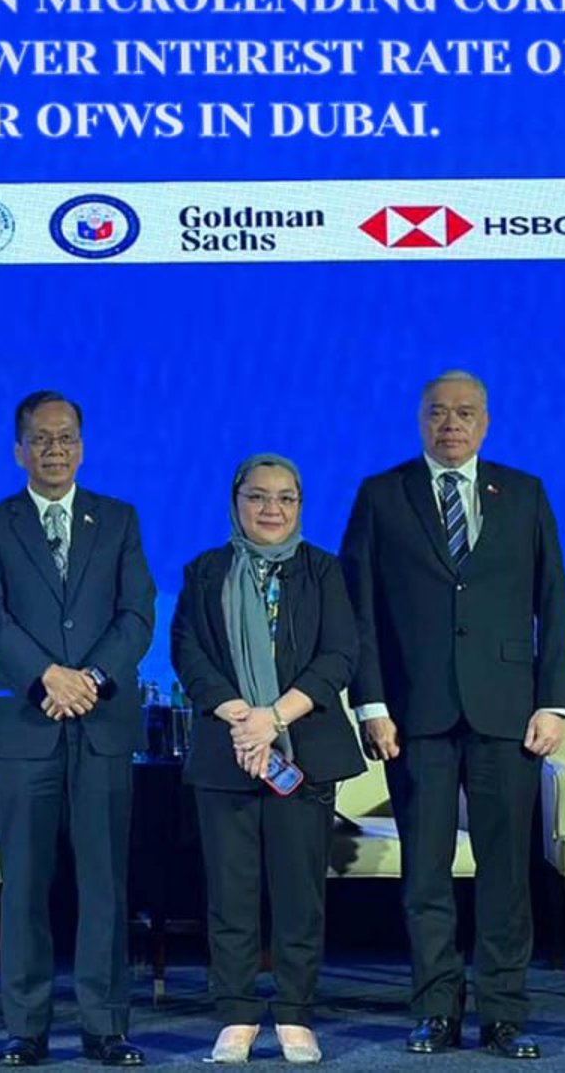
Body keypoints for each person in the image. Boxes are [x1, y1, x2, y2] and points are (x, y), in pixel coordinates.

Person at [339, 370, 565, 1060]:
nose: (451, 424)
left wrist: (555, 700)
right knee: (426, 873)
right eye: (438, 412)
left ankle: (504, 1011)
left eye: (465, 413)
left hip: (509, 712)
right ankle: (435, 1008)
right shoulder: (382, 495)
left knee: (506, 872)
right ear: (419, 419)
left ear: (487, 422)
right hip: (415, 713)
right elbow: (362, 614)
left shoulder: (524, 493)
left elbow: (553, 600)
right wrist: (372, 704)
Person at [0, 391, 154, 1067]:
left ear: (83, 444)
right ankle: (26, 1026)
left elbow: (137, 615)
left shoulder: (119, 519)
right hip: (25, 726)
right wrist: (48, 675)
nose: (54, 449)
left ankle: (106, 1025)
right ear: (18, 449)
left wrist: (92, 679)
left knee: (104, 883)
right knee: (24, 885)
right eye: (40, 439)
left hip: (100, 725)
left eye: (66, 437)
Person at [172, 454, 361, 1065]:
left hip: (301, 751)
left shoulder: (324, 571)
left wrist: (272, 718)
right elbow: (187, 653)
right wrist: (238, 715)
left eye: (285, 498)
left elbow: (340, 655)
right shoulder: (205, 572)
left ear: (300, 506)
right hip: (226, 751)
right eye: (258, 497)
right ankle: (236, 1012)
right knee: (231, 892)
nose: (271, 510)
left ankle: (296, 1013)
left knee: (299, 891)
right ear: (236, 502)